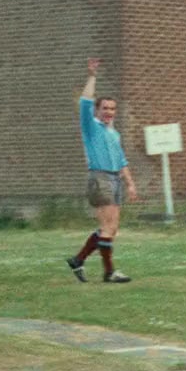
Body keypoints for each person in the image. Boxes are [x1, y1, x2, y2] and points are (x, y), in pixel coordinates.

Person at [66, 58, 139, 283]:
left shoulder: (113, 133)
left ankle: (78, 260)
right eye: (105, 108)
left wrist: (130, 183)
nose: (109, 112)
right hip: (100, 178)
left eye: (112, 109)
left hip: (115, 180)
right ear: (97, 110)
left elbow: (121, 160)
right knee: (108, 227)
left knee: (111, 228)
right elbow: (85, 102)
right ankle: (109, 272)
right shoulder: (91, 127)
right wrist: (92, 76)